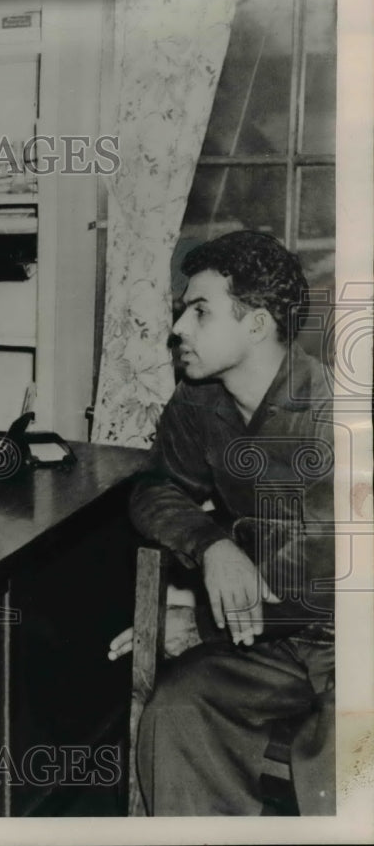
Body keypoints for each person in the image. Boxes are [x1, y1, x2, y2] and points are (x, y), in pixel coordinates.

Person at [110, 230, 335, 815]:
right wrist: (212, 548)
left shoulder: (336, 412)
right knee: (176, 712)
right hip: (274, 641)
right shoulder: (199, 401)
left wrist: (201, 620)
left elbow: (323, 572)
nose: (179, 329)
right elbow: (155, 490)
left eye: (200, 312)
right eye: (183, 311)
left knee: (340, 771)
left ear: (257, 325)